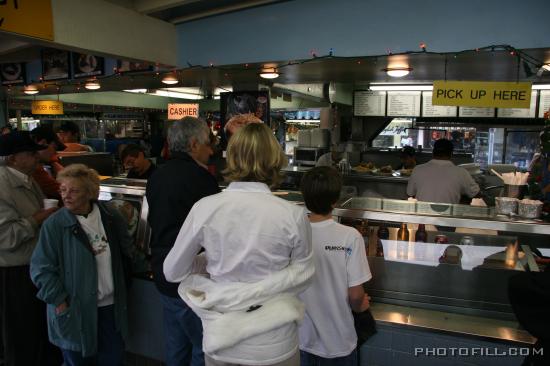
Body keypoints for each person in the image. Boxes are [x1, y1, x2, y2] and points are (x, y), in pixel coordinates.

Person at [164, 123, 314, 366]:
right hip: (275, 344)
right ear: (275, 158)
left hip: (222, 340)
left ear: (231, 156)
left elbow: (173, 271)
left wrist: (209, 259)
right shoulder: (292, 215)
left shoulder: (206, 207)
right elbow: (304, 275)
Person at [30, 164, 134, 366]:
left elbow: (127, 250)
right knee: (77, 361)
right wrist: (59, 301)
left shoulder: (111, 216)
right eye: (63, 190)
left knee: (113, 359)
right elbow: (40, 269)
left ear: (90, 193)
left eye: (74, 190)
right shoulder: (55, 224)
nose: (66, 196)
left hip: (110, 308)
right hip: (74, 309)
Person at [146, 117, 220, 366]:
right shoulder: (202, 180)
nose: (211, 150)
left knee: (176, 345)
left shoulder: (157, 175)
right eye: (208, 143)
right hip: (191, 276)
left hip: (162, 270)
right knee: (202, 346)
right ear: (193, 144)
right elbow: (215, 232)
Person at [298, 166, 372, 365]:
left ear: (304, 197)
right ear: (336, 200)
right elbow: (356, 295)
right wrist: (361, 306)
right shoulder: (350, 236)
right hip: (340, 342)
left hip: (301, 341)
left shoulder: (293, 233)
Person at [0, 131, 62, 366]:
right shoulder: (3, 185)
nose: (37, 156)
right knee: (20, 338)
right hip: (14, 273)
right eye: (30, 153)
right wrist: (37, 219)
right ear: (13, 158)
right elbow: (5, 237)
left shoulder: (28, 178)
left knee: (37, 335)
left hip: (34, 268)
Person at [407, 139, 479, 204]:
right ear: (451, 154)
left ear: (433, 152)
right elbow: (475, 194)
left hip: (422, 216)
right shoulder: (461, 173)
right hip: (448, 217)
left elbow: (410, 194)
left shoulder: (418, 169)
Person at [30, 125, 66, 200]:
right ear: (43, 143)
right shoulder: (33, 168)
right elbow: (60, 190)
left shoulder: (38, 165)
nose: (55, 153)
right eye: (54, 148)